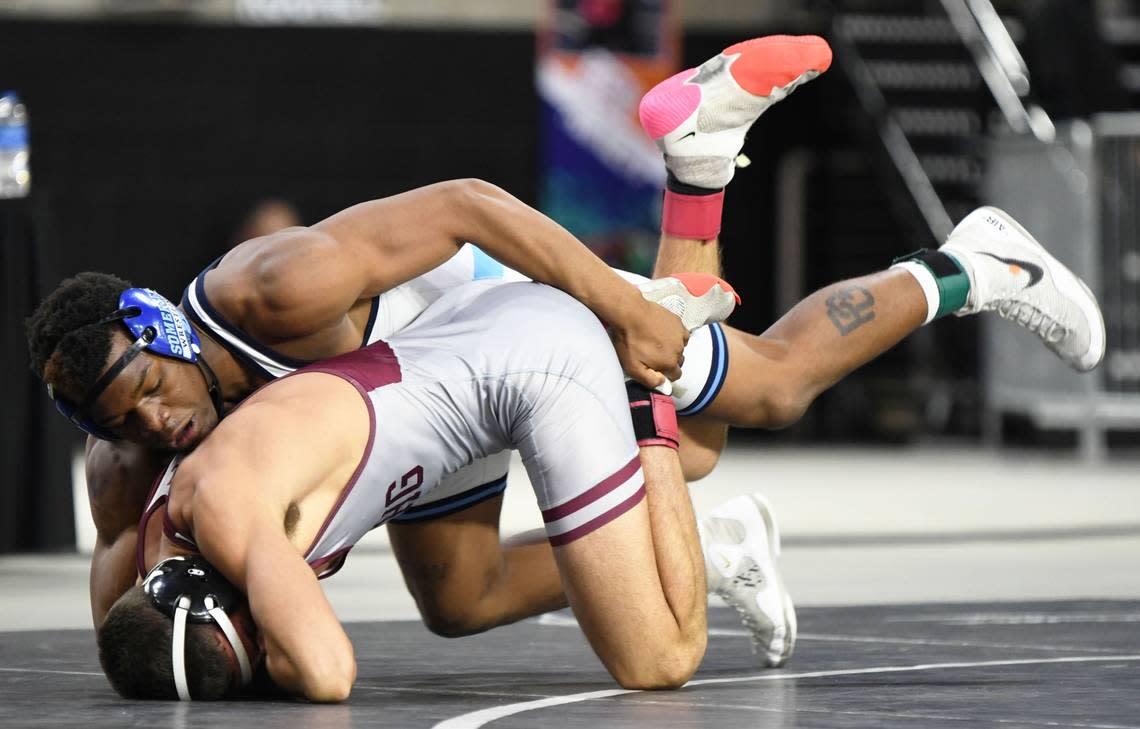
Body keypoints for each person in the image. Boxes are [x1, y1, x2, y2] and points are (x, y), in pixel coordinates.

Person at [28, 34, 1104, 667]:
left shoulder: (274, 288)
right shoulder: (127, 469)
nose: (156, 424)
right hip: (425, 408)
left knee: (750, 405)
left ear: (166, 331)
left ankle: (966, 261)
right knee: (459, 600)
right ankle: (700, 173)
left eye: (151, 393)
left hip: (495, 317)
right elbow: (130, 627)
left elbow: (467, 204)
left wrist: (619, 310)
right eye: (123, 424)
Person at [99, 276, 726, 701]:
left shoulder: (225, 511)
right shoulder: (153, 560)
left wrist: (268, 671)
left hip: (538, 364)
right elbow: (130, 642)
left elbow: (328, 672)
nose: (267, 644)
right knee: (458, 602)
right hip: (460, 340)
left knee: (658, 662)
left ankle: (645, 401)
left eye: (253, 641)